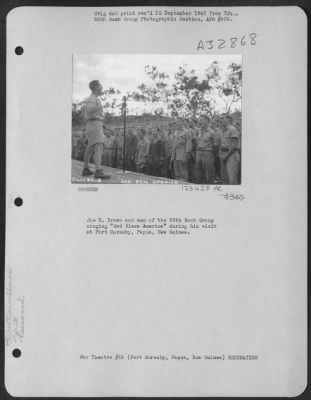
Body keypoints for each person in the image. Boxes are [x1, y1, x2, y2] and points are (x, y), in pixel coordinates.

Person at [81, 80, 110, 179]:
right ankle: (98, 171)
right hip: (94, 125)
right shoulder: (93, 99)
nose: (102, 87)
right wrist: (98, 107)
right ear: (96, 87)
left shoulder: (93, 98)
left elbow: (93, 114)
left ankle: (85, 169)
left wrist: (102, 123)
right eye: (100, 86)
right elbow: (89, 110)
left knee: (90, 148)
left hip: (94, 124)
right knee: (98, 147)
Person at [195, 116, 218, 184]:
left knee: (209, 175)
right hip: (198, 153)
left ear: (207, 121)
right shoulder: (199, 131)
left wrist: (212, 155)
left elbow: (215, 145)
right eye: (199, 120)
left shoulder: (212, 132)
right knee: (198, 174)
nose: (199, 122)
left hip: (208, 153)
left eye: (201, 120)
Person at [219, 114, 241, 184]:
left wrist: (226, 156)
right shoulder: (223, 130)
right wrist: (221, 155)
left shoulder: (232, 129)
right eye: (221, 119)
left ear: (228, 119)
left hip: (231, 155)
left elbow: (234, 145)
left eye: (223, 118)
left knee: (232, 180)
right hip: (224, 155)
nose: (221, 120)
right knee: (225, 179)